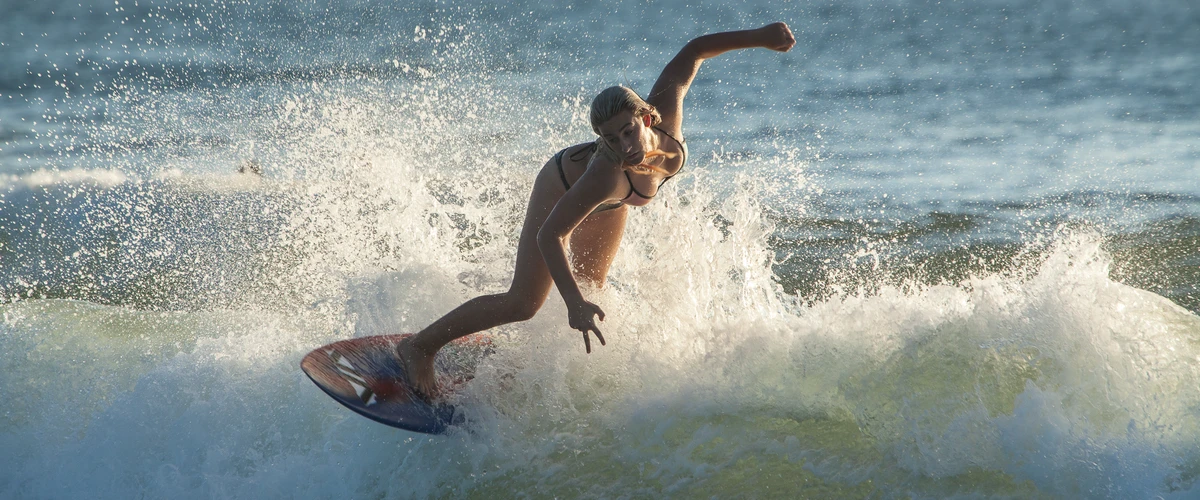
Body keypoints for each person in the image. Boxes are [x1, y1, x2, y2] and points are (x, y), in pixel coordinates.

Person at [397, 22, 797, 398]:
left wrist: (761, 37)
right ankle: (420, 346)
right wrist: (571, 305)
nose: (625, 146)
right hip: (564, 188)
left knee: (592, 288)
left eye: (628, 131)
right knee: (525, 303)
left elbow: (693, 52)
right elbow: (550, 236)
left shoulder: (667, 118)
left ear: (646, 117)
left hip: (611, 205)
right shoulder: (606, 172)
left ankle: (512, 363)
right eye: (611, 139)